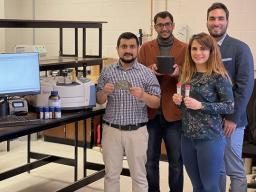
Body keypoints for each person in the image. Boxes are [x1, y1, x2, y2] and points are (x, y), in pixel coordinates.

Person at [96, 32, 161, 192]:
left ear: (138, 49)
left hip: (137, 132)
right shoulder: (107, 71)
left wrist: (143, 95)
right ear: (117, 49)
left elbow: (157, 102)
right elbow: (99, 100)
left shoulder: (146, 72)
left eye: (132, 46)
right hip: (111, 130)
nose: (128, 50)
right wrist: (104, 92)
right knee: (111, 175)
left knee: (139, 176)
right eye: (124, 46)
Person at [172, 32, 234, 192]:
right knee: (197, 186)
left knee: (210, 186)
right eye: (194, 48)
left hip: (210, 138)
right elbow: (187, 106)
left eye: (203, 49)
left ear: (211, 51)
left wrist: (201, 105)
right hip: (187, 138)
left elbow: (229, 106)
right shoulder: (187, 74)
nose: (198, 53)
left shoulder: (219, 77)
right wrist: (179, 103)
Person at [206, 3, 254, 192]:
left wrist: (233, 118)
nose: (216, 22)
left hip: (231, 122)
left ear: (227, 21)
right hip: (209, 120)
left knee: (234, 169)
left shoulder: (239, 48)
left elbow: (245, 86)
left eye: (220, 18)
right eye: (212, 18)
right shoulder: (202, 48)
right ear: (207, 21)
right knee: (216, 168)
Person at [138, 11, 187, 192]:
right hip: (151, 114)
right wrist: (149, 71)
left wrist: (178, 73)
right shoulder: (145, 48)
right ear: (155, 26)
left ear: (173, 25)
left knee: (176, 161)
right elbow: (137, 77)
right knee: (150, 161)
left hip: (174, 114)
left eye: (167, 24)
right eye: (160, 25)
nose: (164, 28)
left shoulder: (185, 48)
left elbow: (191, 77)